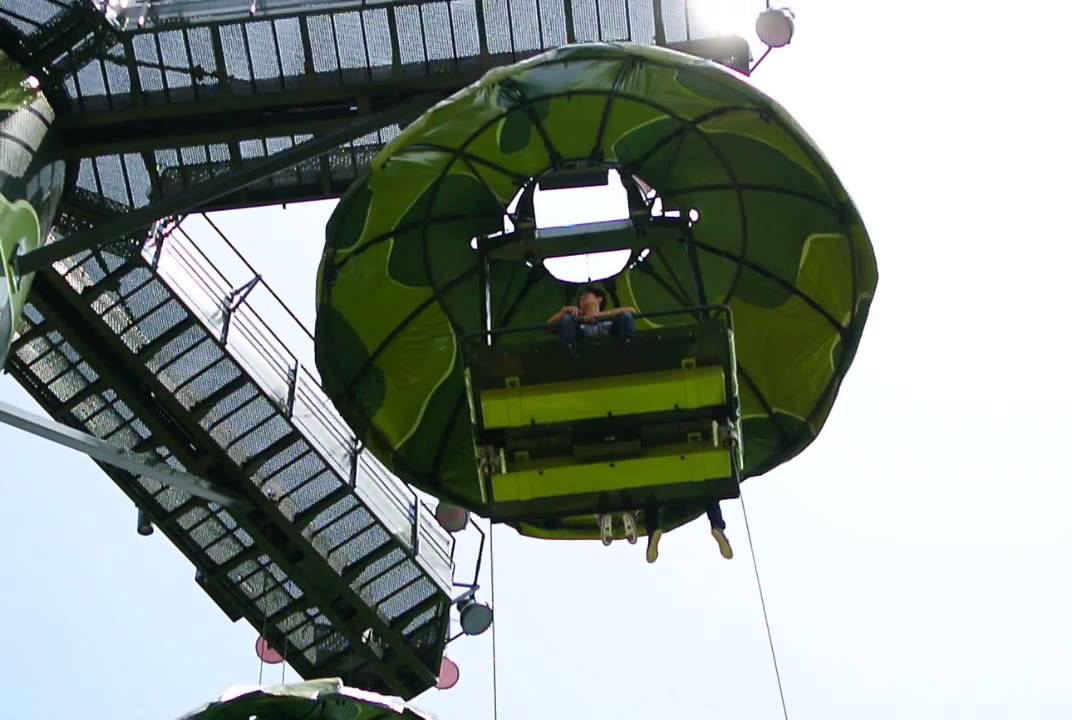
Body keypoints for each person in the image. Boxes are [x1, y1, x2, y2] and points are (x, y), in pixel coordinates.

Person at [547, 286, 637, 354]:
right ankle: (568, 347)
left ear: (599, 299)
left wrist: (598, 316)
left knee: (625, 316)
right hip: (581, 335)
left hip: (609, 332)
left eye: (587, 294)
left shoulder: (611, 316)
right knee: (567, 319)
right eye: (580, 299)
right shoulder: (575, 318)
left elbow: (631, 310)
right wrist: (564, 312)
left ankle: (629, 343)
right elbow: (548, 328)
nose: (582, 297)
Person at [643, 501, 733, 563]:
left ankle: (653, 534)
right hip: (692, 498)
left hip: (667, 505)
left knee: (650, 501)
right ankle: (717, 527)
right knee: (711, 495)